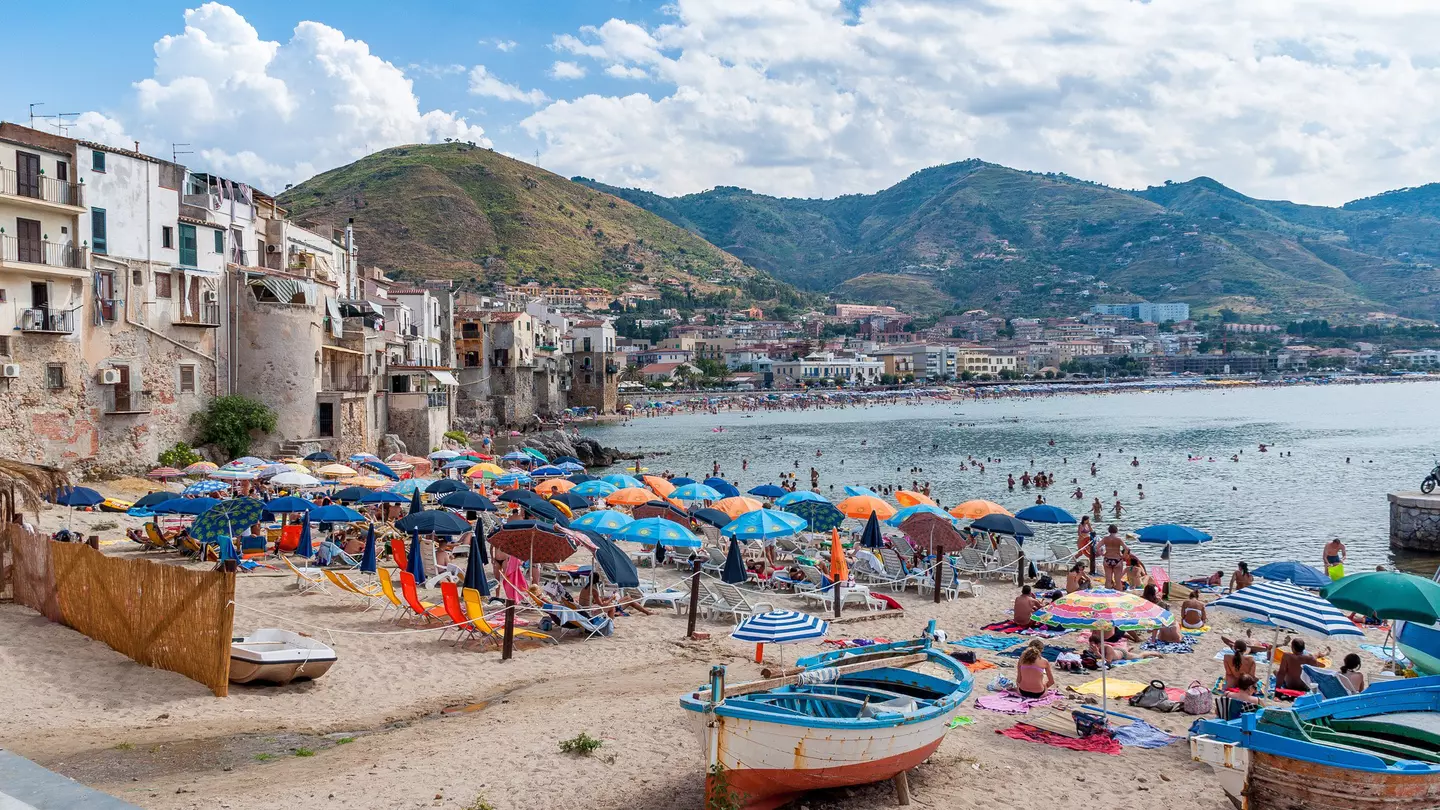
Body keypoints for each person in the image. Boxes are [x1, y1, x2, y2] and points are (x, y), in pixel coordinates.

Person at [1097, 524, 1128, 590]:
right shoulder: (1118, 539)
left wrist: (1101, 553)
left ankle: (1107, 596)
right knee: (1118, 580)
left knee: (1108, 580)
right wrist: (1123, 556)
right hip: (1117, 560)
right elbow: (1127, 549)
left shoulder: (1105, 539)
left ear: (1109, 530)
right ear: (1116, 530)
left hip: (1107, 559)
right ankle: (1119, 596)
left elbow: (1097, 546)